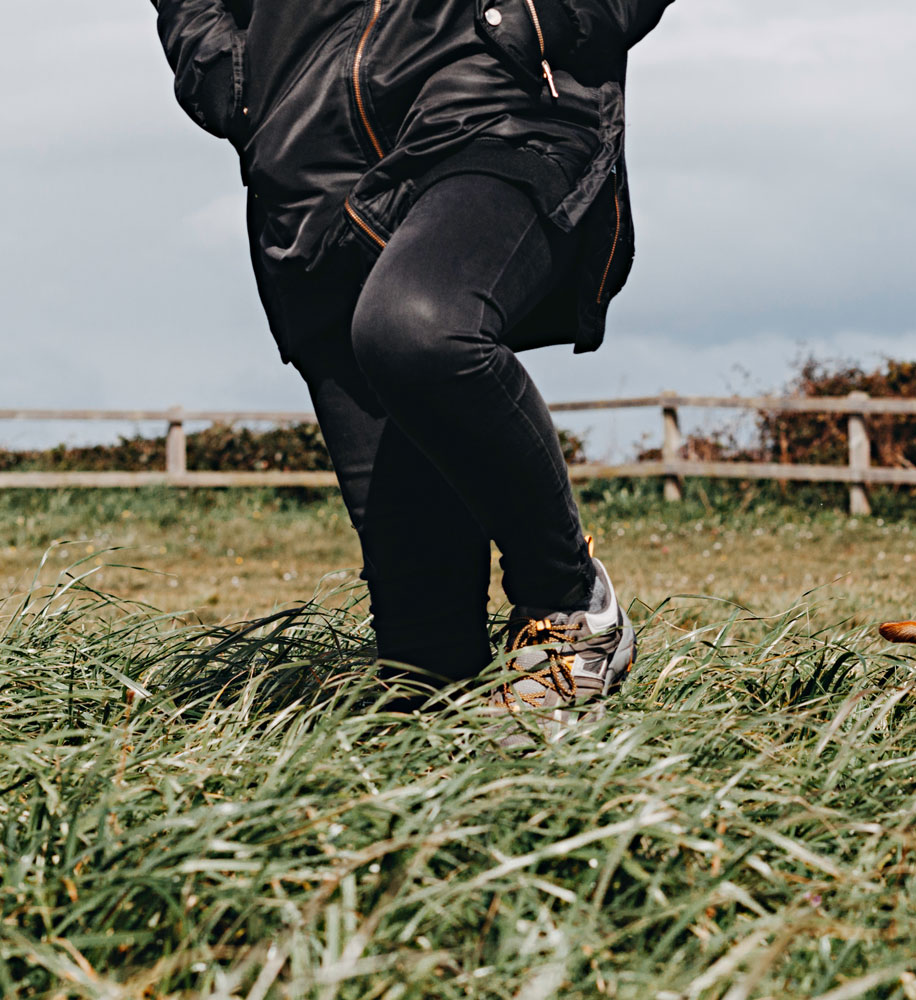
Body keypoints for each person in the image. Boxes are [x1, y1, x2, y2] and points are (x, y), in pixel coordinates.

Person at [151, 0, 674, 732]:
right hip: (307, 163)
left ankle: (571, 604)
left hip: (488, 108)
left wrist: (542, 17)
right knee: (424, 673)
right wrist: (231, 78)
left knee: (418, 326)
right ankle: (516, 811)